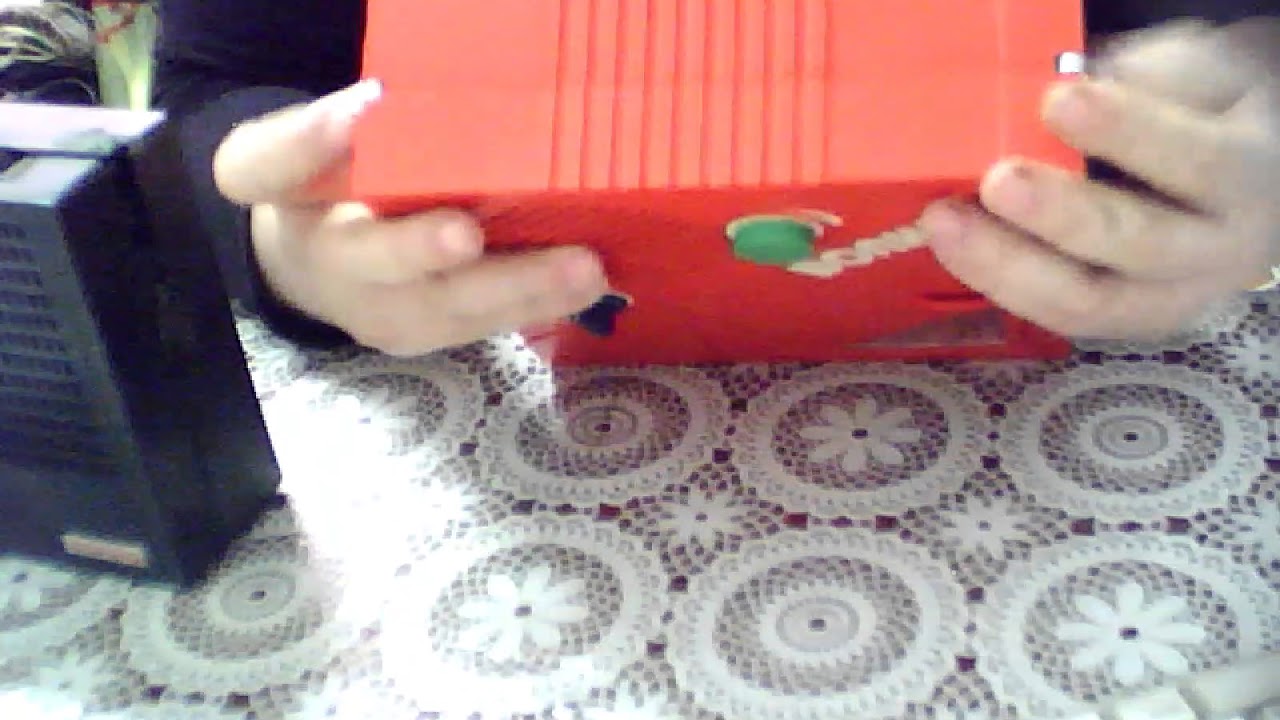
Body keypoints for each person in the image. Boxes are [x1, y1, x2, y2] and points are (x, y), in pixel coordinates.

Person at [152, 0, 1280, 356]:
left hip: (1112, 428)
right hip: (541, 479)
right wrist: (285, 244)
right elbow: (214, 95)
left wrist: (1253, 88)